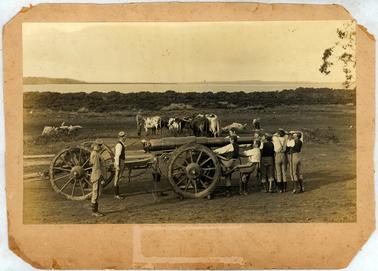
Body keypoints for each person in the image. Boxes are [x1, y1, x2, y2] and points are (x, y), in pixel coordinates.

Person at [90, 138, 106, 217]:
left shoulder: (96, 153)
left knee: (97, 193)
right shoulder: (95, 154)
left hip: (97, 175)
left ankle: (95, 210)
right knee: (95, 193)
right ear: (96, 146)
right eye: (99, 145)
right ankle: (94, 211)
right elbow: (97, 167)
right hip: (97, 175)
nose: (100, 147)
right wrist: (101, 177)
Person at [272, 128, 288, 193]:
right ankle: (284, 188)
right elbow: (286, 133)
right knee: (284, 172)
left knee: (278, 173)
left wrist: (276, 134)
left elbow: (273, 135)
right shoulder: (285, 138)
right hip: (283, 155)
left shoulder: (275, 138)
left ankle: (280, 189)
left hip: (277, 155)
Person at [114, 131, 127, 199]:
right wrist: (117, 165)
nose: (125, 137)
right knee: (118, 178)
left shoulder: (121, 144)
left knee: (118, 178)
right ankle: (116, 194)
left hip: (121, 161)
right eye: (124, 136)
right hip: (120, 162)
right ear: (122, 137)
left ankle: (117, 194)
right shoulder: (119, 145)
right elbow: (117, 156)